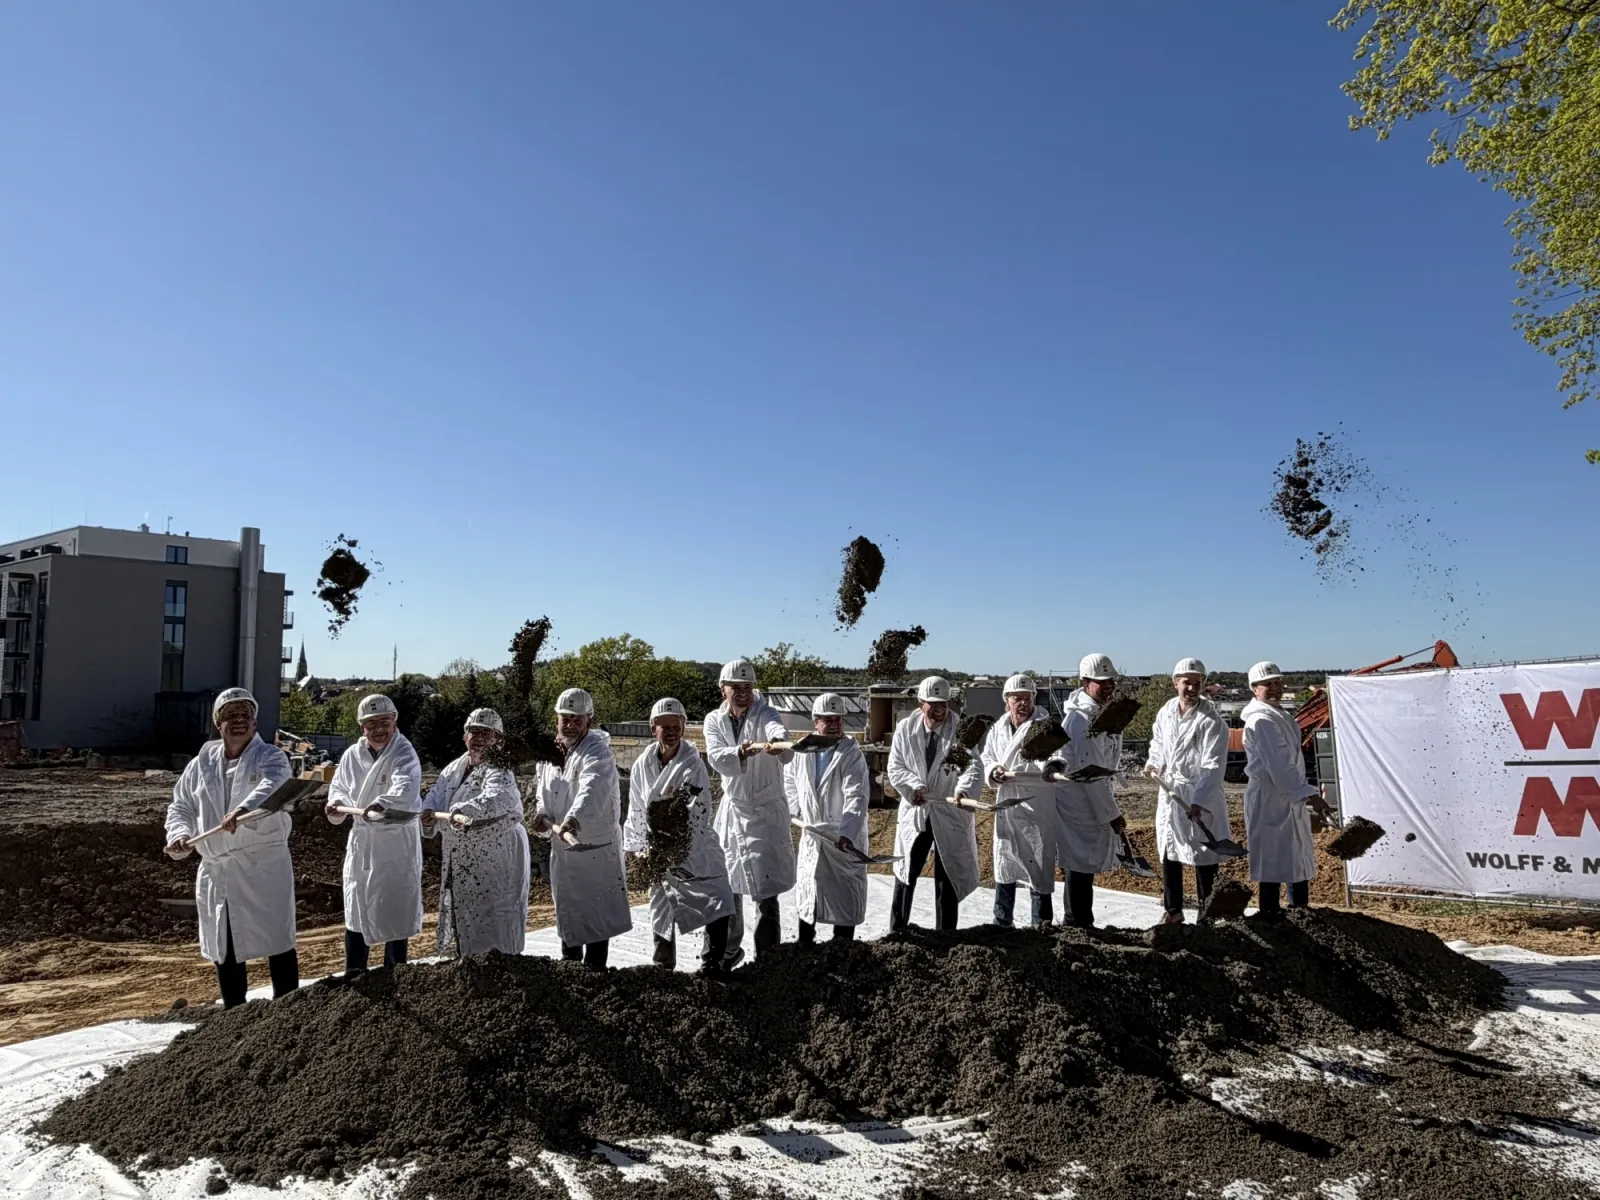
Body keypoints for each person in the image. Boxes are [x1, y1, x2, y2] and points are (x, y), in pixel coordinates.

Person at [163, 688, 299, 1008]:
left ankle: (290, 1009)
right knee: (225, 943)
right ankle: (234, 1013)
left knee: (276, 938)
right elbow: (180, 806)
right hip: (217, 866)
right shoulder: (201, 763)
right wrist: (179, 834)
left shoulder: (270, 756)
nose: (239, 721)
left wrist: (243, 809)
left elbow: (276, 784)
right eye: (231, 716)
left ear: (255, 722)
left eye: (245, 716)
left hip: (262, 865)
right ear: (218, 723)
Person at [624, 697, 736, 973]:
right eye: (665, 726)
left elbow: (692, 809)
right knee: (661, 904)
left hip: (692, 843)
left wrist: (674, 843)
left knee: (717, 897)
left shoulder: (692, 763)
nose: (671, 731)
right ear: (654, 729)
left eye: (677, 726)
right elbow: (637, 808)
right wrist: (635, 846)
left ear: (684, 727)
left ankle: (714, 961)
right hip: (657, 846)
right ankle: (663, 964)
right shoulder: (641, 764)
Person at [703, 658, 795, 961]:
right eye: (735, 688)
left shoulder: (765, 712)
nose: (742, 692)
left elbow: (775, 727)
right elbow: (717, 756)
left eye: (747, 687)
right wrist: (739, 751)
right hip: (734, 812)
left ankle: (768, 959)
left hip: (766, 813)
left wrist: (777, 741)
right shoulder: (714, 721)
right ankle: (729, 950)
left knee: (766, 893)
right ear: (723, 690)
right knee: (728, 887)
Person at [532, 687, 631, 967]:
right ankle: (570, 966)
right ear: (557, 720)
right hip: (564, 850)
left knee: (596, 914)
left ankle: (595, 970)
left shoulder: (597, 752)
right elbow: (543, 790)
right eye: (566, 718)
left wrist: (575, 819)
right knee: (570, 911)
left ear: (589, 720)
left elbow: (593, 788)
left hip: (594, 848)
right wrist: (542, 813)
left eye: (577, 719)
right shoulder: (551, 753)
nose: (571, 725)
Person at [326, 694, 423, 974]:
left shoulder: (404, 752)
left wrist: (384, 803)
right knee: (357, 909)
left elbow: (405, 786)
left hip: (394, 842)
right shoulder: (351, 755)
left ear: (394, 722)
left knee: (394, 907)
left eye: (384, 722)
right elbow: (339, 788)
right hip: (363, 841)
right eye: (371, 724)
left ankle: (396, 972)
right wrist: (336, 806)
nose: (378, 729)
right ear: (361, 728)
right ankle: (355, 975)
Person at [421, 708, 530, 957]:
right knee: (465, 915)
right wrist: (429, 811)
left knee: (496, 916)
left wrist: (464, 809)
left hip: (497, 854)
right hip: (463, 857)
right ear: (464, 736)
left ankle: (501, 969)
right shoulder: (454, 768)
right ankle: (469, 966)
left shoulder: (500, 769)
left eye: (487, 734)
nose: (479, 738)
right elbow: (437, 795)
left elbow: (498, 797)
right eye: (474, 732)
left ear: (498, 741)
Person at [885, 676, 983, 931]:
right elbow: (896, 767)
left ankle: (946, 934)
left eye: (944, 703)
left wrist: (963, 790)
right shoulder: (906, 729)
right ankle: (898, 931)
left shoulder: (959, 731)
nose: (940, 709)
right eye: (933, 704)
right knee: (906, 871)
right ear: (920, 703)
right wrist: (913, 786)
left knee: (947, 875)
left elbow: (971, 766)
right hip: (917, 810)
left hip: (948, 811)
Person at [1144, 658, 1231, 925]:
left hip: (1198, 791)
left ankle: (1207, 915)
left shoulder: (1212, 721)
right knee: (1169, 849)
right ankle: (1173, 911)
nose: (1192, 689)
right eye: (1187, 683)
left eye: (1197, 683)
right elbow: (1158, 741)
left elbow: (1212, 766)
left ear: (1203, 685)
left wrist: (1199, 802)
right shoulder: (1166, 712)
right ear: (1175, 684)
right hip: (1170, 791)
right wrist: (1154, 763)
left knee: (1204, 853)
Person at [1242, 661, 1329, 915]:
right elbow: (1279, 766)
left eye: (1278, 683)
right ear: (1253, 689)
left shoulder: (1277, 714)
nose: (1275, 688)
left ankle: (1299, 912)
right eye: (1267, 684)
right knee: (1272, 860)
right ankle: (1271, 915)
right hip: (1270, 798)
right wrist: (1309, 794)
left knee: (1293, 856)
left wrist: (1303, 792)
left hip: (1285, 795)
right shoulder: (1261, 721)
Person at [783, 693, 871, 944]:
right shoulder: (803, 749)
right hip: (812, 833)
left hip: (841, 837)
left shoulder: (851, 754)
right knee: (809, 894)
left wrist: (848, 832)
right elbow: (789, 781)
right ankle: (804, 949)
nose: (834, 725)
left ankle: (842, 949)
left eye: (838, 720)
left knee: (844, 899)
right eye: (827, 720)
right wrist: (794, 810)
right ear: (816, 721)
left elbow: (856, 795)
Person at [979, 674, 1059, 929]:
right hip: (1007, 801)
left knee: (1038, 861)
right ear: (1007, 701)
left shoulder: (1044, 725)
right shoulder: (998, 728)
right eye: (1017, 699)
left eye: (1027, 698)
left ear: (1034, 699)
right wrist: (993, 770)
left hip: (1036, 803)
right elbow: (987, 756)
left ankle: (1041, 923)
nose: (1023, 704)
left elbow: (1054, 755)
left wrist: (1051, 766)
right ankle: (1002, 922)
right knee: (1005, 861)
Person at [1056, 654, 1129, 929]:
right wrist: (1112, 814)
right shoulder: (1080, 720)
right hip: (1081, 800)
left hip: (1092, 796)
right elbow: (1091, 769)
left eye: (1110, 681)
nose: (1108, 686)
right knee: (1079, 862)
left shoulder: (1099, 714)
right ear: (1086, 683)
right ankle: (1078, 922)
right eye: (1101, 682)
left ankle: (1077, 919)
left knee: (1082, 862)